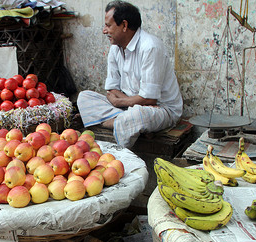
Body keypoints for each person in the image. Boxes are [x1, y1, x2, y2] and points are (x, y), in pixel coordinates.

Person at [76, 1, 183, 148]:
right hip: (130, 107)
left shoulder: (150, 47)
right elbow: (112, 89)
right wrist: (128, 103)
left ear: (124, 25)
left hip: (161, 109)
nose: (104, 31)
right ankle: (126, 124)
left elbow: (150, 98)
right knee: (84, 98)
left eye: (108, 25)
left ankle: (116, 124)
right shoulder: (115, 48)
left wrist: (119, 102)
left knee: (136, 115)